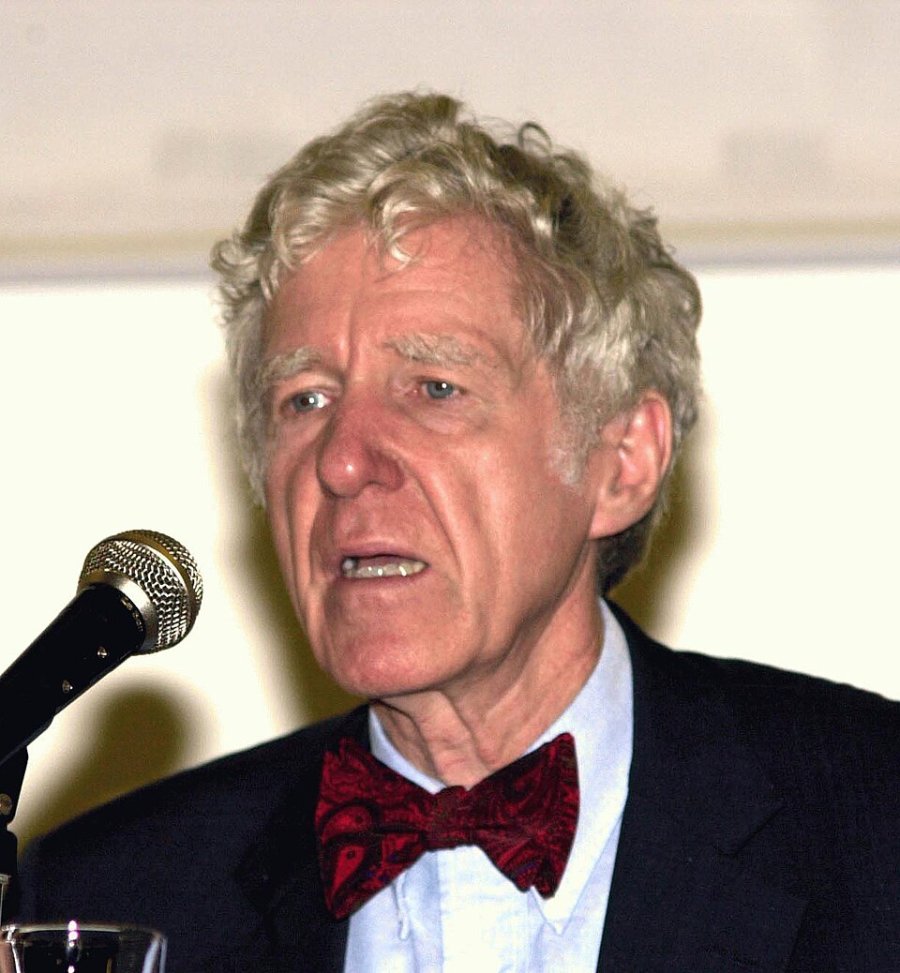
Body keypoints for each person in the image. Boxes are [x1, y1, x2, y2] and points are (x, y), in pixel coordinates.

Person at [15, 93, 899, 972]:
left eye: (435, 388)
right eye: (305, 399)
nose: (342, 461)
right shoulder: (108, 896)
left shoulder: (874, 829)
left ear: (622, 460)